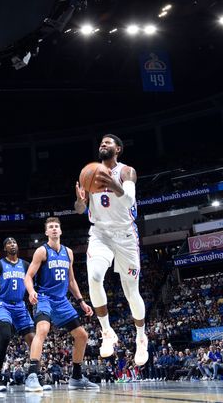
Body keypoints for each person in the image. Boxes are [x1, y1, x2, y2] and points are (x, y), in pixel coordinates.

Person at [74, 134, 148, 365]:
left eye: (108, 143)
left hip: (125, 235)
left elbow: (129, 202)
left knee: (131, 293)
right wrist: (81, 202)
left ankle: (141, 337)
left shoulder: (126, 172)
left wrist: (112, 184)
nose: (102, 145)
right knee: (95, 277)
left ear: (118, 149)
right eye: (101, 143)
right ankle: (107, 331)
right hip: (100, 233)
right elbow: (78, 210)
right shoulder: (90, 173)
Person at [23, 216, 98, 392]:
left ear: (61, 230)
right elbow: (28, 276)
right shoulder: (41, 251)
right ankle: (32, 375)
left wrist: (81, 302)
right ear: (46, 232)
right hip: (44, 298)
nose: (55, 228)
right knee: (42, 330)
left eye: (57, 226)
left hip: (62, 300)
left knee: (82, 335)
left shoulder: (68, 252)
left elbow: (71, 280)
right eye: (51, 226)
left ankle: (77, 377)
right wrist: (31, 291)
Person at [0, 236, 35, 392]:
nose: (12, 244)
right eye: (9, 243)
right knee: (6, 336)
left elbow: (32, 283)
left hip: (21, 306)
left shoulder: (26, 265)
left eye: (14, 242)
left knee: (33, 341)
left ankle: (35, 375)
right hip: (4, 306)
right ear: (5, 248)